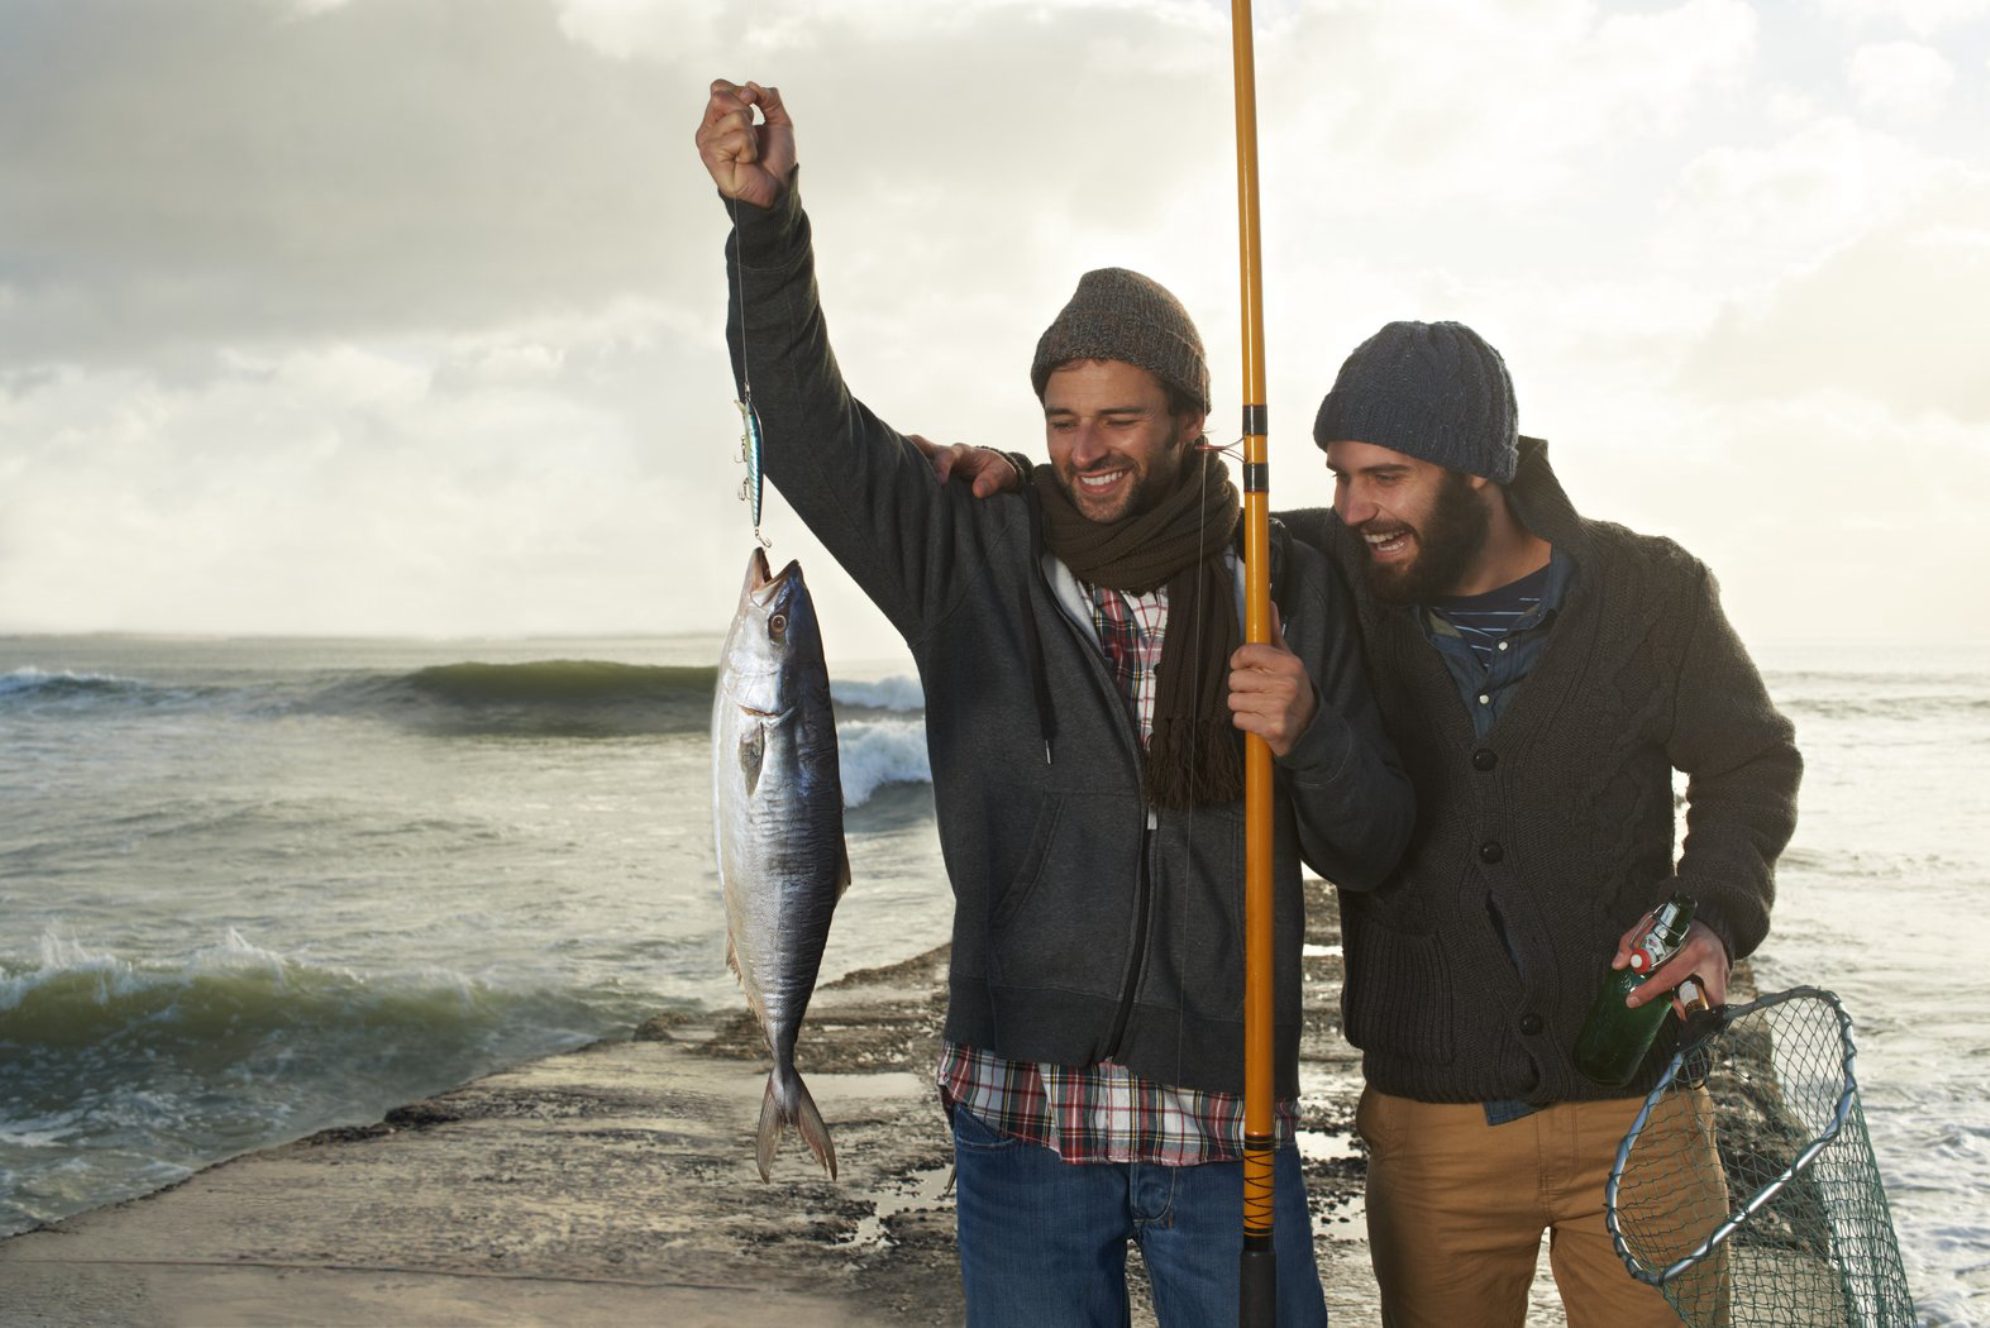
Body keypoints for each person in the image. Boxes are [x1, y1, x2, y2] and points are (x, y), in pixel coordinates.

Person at [695, 80, 1414, 1326]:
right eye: (1063, 420)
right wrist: (766, 226)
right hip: (1020, 1113)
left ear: (1191, 423)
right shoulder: (970, 548)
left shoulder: (1284, 577)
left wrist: (1313, 737)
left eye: (1120, 419)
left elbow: (1374, 844)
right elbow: (805, 427)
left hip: (1223, 1115)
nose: (1086, 450)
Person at [930, 319, 1804, 1326]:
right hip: (1436, 1123)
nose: (1353, 508)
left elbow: (1751, 761)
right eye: (1340, 476)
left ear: (1479, 470)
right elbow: (1161, 505)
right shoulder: (1326, 568)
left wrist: (1713, 911)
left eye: (1384, 477)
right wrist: (1025, 481)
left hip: (1643, 1105)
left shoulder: (1651, 591)